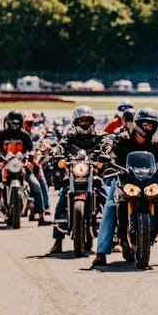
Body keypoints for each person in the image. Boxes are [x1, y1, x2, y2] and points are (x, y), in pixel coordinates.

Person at [91, 108, 158, 266]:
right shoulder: (122, 139)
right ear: (138, 124)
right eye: (145, 124)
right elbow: (113, 153)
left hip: (149, 181)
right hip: (125, 180)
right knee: (110, 207)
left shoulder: (157, 143)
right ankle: (101, 252)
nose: (148, 128)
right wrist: (110, 164)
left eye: (151, 125)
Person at [0, 110, 47, 228]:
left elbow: (31, 150)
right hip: (3, 164)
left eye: (17, 124)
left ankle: (41, 215)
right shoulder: (0, 135)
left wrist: (31, 161)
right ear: (7, 123)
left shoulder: (25, 136)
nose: (15, 126)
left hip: (20, 165)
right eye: (12, 124)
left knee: (36, 185)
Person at [48, 106, 105, 254]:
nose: (85, 123)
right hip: (74, 173)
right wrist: (56, 152)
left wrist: (107, 151)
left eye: (87, 120)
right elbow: (60, 146)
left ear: (92, 122)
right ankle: (58, 240)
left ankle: (115, 237)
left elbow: (108, 143)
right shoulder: (70, 137)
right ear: (75, 122)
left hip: (93, 174)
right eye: (82, 120)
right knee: (62, 198)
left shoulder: (99, 136)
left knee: (107, 196)